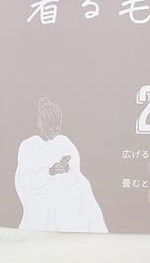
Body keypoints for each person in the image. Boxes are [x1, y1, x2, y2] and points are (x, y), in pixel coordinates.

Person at [15, 97, 107, 232]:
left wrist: (66, 168)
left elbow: (76, 171)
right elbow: (25, 180)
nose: (55, 130)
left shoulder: (65, 142)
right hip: (41, 192)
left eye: (58, 126)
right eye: (50, 126)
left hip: (67, 186)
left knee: (83, 187)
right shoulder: (29, 145)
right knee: (57, 197)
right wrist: (50, 172)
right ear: (40, 123)